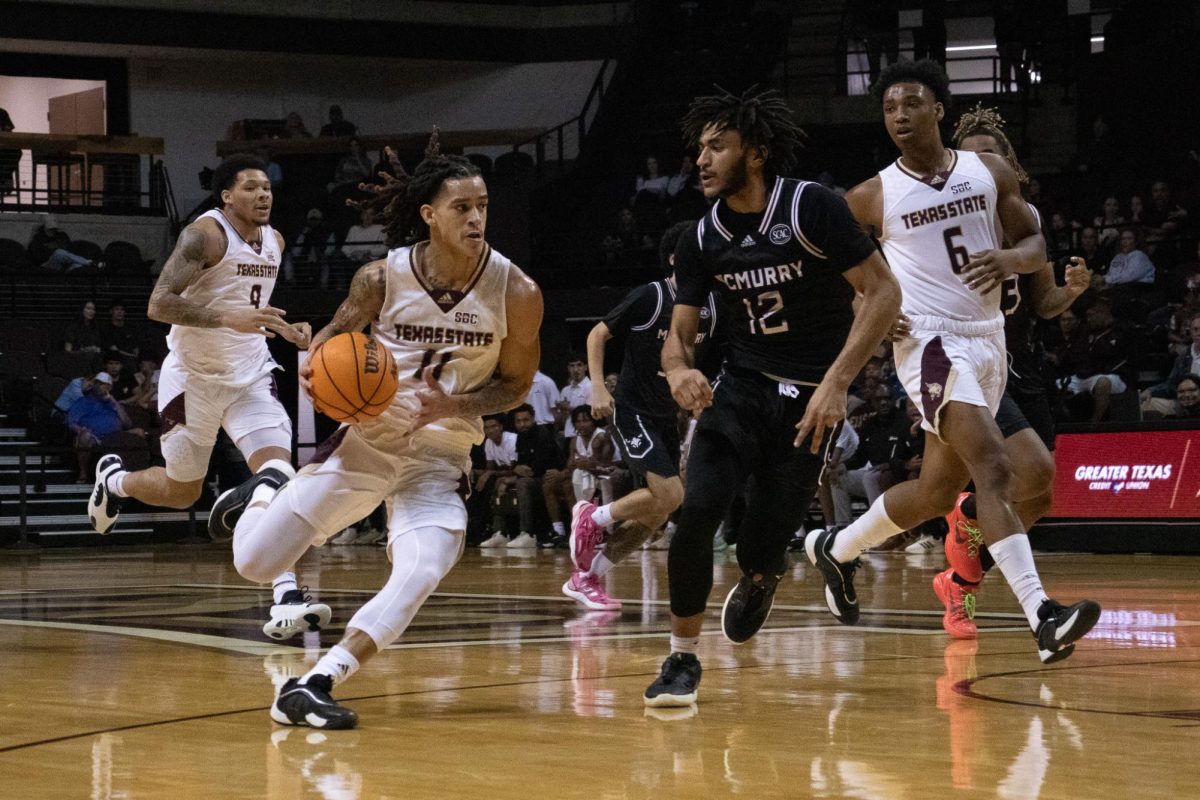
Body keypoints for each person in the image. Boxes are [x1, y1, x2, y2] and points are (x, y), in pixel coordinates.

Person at [222, 135, 543, 729]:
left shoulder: (516, 292)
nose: (476, 218)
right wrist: (354, 405)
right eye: (461, 208)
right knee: (256, 565)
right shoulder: (380, 279)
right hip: (366, 444)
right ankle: (266, 486)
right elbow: (323, 352)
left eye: (483, 206)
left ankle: (316, 682)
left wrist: (454, 401)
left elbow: (518, 384)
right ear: (428, 215)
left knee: (425, 566)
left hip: (440, 455)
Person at [805, 60, 1100, 665]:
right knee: (992, 466)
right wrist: (871, 303)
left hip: (989, 338)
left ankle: (837, 548)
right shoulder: (871, 194)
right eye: (889, 108)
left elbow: (1035, 242)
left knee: (940, 492)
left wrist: (1012, 261)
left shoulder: (987, 171)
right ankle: (1042, 616)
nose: (899, 116)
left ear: (939, 109)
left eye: (911, 104)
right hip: (930, 345)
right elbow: (826, 266)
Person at [643, 87, 901, 707]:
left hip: (811, 400)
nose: (701, 160)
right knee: (698, 509)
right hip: (741, 388)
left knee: (762, 543)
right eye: (698, 148)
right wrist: (678, 370)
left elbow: (884, 292)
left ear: (754, 153)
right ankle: (681, 659)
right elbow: (677, 337)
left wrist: (838, 384)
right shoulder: (701, 238)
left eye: (717, 146)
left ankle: (762, 575)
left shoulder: (812, 208)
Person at [85, 153, 328, 642]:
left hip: (250, 376)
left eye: (267, 188)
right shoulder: (205, 235)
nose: (263, 195)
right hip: (192, 379)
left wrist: (287, 329)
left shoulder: (275, 242)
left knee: (279, 474)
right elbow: (159, 304)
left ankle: (286, 597)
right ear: (226, 196)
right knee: (183, 493)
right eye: (251, 188)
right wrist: (226, 320)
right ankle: (117, 481)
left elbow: (250, 308)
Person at [915, 104, 1093, 638]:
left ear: (1008, 166)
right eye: (967, 159)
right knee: (1030, 472)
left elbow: (1042, 302)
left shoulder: (1024, 219)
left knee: (1039, 494)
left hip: (1021, 363)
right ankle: (970, 522)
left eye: (989, 157)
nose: (978, 167)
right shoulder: (939, 217)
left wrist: (1073, 292)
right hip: (965, 357)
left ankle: (960, 583)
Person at [569, 220, 721, 611]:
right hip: (632, 410)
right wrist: (598, 386)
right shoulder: (651, 296)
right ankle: (593, 517)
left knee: (659, 511)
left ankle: (586, 577)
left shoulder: (712, 305)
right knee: (672, 494)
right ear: (674, 258)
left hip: (667, 416)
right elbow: (596, 335)